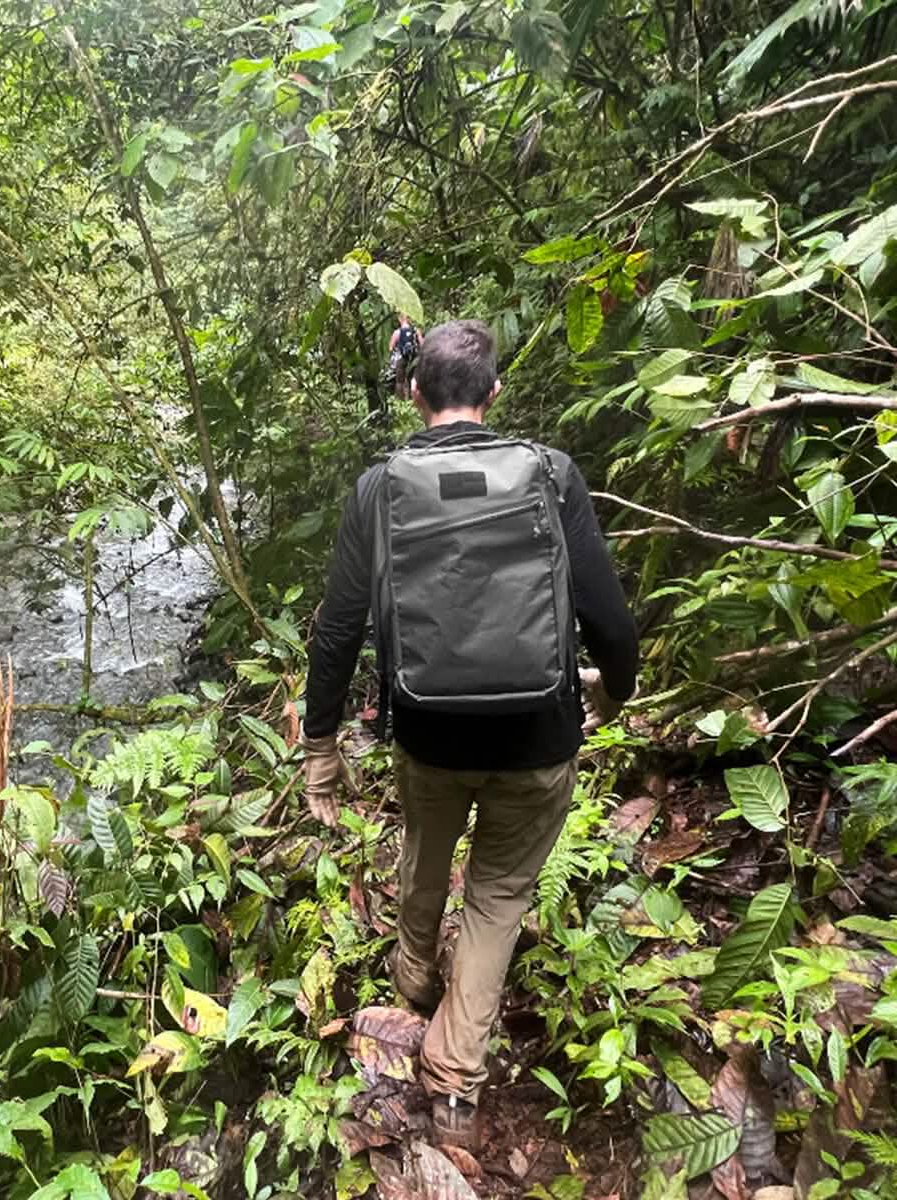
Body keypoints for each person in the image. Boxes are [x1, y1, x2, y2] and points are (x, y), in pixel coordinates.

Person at [300, 319, 638, 1151]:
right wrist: (614, 694)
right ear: (494, 394)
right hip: (540, 738)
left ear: (415, 395)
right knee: (496, 900)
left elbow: (338, 630)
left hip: (429, 735)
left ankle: (413, 976)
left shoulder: (380, 488)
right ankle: (454, 1076)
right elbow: (608, 619)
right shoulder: (551, 475)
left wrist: (321, 745)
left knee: (424, 851)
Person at [386, 314, 422, 399]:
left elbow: (390, 347)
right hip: (414, 358)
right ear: (409, 319)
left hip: (401, 358)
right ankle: (412, 398)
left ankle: (400, 400)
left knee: (399, 381)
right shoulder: (416, 331)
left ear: (400, 320)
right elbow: (422, 343)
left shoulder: (397, 332)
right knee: (412, 379)